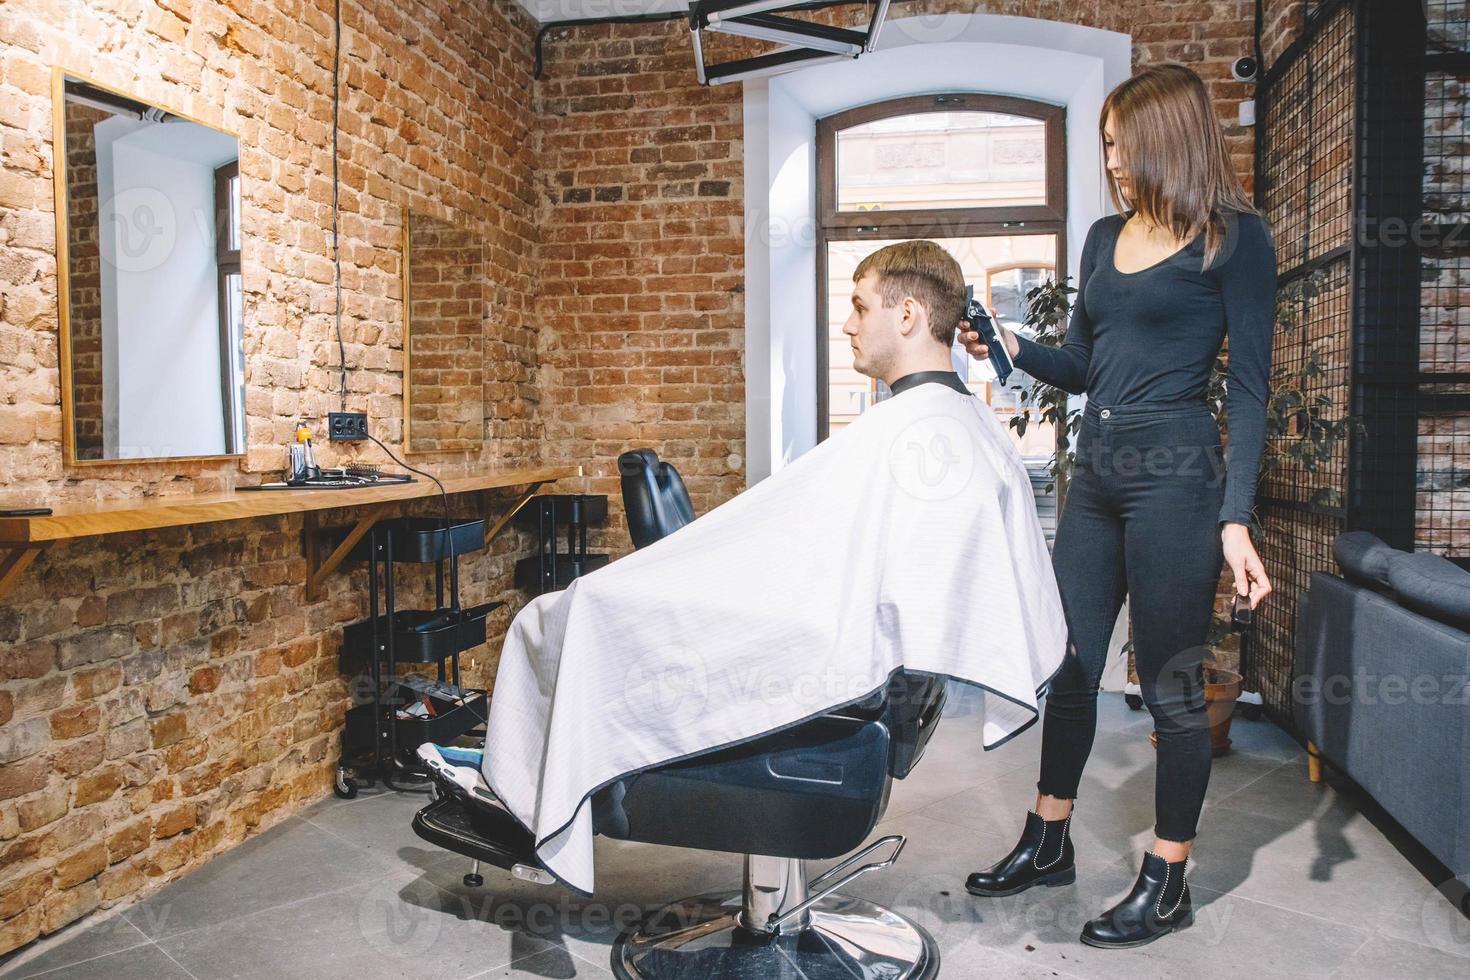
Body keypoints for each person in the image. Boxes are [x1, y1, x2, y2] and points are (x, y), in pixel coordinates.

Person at [464, 240, 1067, 896]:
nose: (847, 324)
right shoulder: (965, 427)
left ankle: (537, 793)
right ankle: (536, 788)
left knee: (570, 615)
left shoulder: (909, 433)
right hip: (869, 668)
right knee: (594, 612)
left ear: (909, 316)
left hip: (833, 665)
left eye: (860, 307)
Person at [960, 63, 1277, 948]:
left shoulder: (1234, 239)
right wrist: (1010, 343)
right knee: (1069, 666)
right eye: (1104, 147)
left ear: (1166, 141)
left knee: (1171, 691)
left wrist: (1236, 516)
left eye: (1119, 146)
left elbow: (1249, 390)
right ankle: (1049, 836)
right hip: (1094, 475)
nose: (1110, 164)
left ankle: (1167, 878)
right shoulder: (1104, 238)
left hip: (1178, 482)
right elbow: (1082, 365)